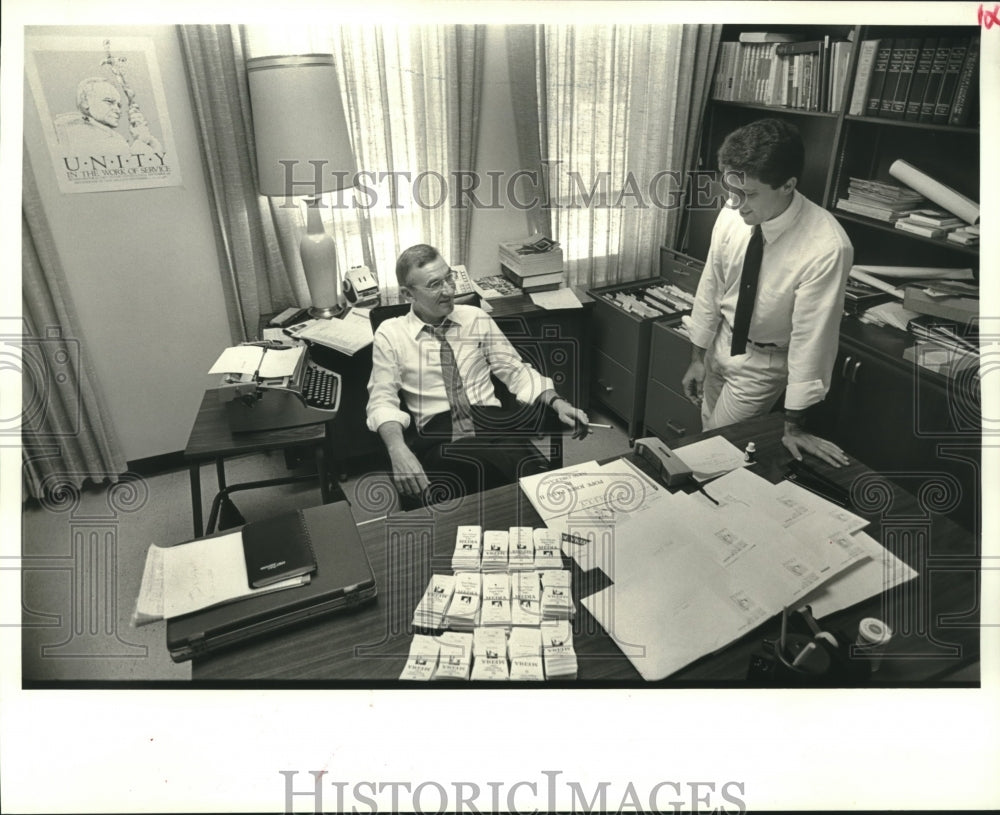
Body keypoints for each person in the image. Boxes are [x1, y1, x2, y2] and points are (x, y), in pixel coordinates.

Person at [681, 118, 853, 467]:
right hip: (721, 341)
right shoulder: (735, 211)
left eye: (749, 194)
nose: (735, 203)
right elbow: (711, 284)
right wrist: (698, 358)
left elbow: (813, 340)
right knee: (707, 434)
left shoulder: (827, 247)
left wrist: (794, 425)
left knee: (715, 452)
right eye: (731, 190)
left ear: (788, 185)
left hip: (764, 362)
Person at [367, 244, 590, 504]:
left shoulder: (475, 318)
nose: (449, 290)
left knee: (494, 466)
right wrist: (397, 448)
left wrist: (558, 402)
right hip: (440, 432)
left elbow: (515, 370)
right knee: (504, 468)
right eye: (435, 284)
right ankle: (544, 497)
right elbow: (382, 399)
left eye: (449, 277)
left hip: (491, 421)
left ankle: (531, 501)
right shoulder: (391, 334)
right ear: (408, 293)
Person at [56, 77, 162, 158]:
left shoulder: (105, 133)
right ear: (85, 102)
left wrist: (143, 137)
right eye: (109, 102)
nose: (117, 110)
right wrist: (142, 140)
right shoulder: (77, 132)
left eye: (119, 105)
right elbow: (128, 169)